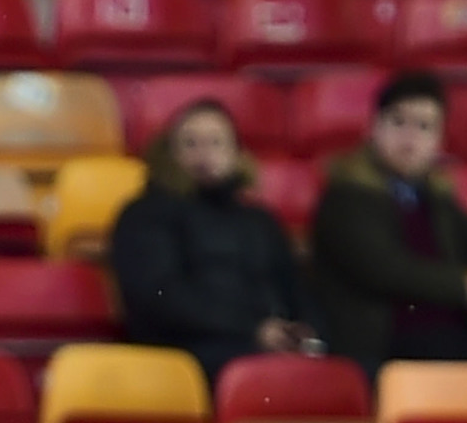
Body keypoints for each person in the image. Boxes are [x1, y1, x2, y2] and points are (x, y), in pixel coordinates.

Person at [305, 71, 467, 380]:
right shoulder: (345, 198)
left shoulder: (434, 199)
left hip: (452, 342)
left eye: (424, 127)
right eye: (399, 123)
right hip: (388, 348)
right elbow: (387, 270)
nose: (410, 138)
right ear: (374, 128)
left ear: (439, 141)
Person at [107, 100, 318, 381]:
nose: (204, 153)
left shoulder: (259, 220)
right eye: (191, 144)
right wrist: (252, 329)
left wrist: (305, 331)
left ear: (236, 153)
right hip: (186, 352)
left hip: (262, 344)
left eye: (216, 142)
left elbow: (293, 287)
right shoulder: (146, 214)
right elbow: (159, 297)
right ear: (170, 154)